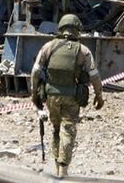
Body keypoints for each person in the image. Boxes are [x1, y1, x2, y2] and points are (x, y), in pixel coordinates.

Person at [31, 13, 104, 178]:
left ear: (61, 28)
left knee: (56, 128)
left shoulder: (48, 46)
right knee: (68, 129)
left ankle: (57, 164)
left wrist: (34, 93)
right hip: (71, 97)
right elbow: (94, 75)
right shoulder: (83, 51)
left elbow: (35, 71)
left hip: (51, 96)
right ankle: (63, 167)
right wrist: (99, 96)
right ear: (77, 30)